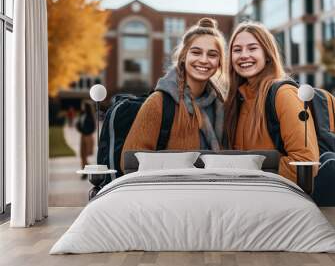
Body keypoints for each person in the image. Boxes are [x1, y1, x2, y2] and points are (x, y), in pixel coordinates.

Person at [121, 18, 227, 168]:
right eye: (196, 52)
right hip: (168, 190)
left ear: (220, 62)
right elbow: (130, 163)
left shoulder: (222, 107)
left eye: (212, 55)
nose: (204, 60)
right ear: (184, 56)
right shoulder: (159, 102)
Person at [224, 21, 319, 183]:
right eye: (237, 50)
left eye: (252, 48)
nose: (244, 55)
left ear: (267, 55)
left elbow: (305, 162)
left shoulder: (284, 95)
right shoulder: (237, 99)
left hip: (275, 197)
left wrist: (252, 174)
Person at [76, 101, 96, 178]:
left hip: (88, 136)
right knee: (82, 155)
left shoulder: (90, 116)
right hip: (83, 136)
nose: (82, 107)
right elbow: (79, 124)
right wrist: (79, 127)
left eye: (83, 105)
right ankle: (86, 171)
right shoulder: (82, 115)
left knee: (85, 155)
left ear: (86, 107)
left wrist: (85, 130)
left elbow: (92, 127)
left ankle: (87, 171)